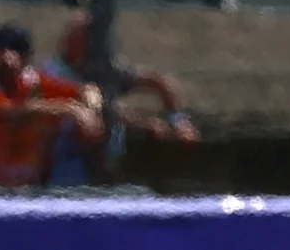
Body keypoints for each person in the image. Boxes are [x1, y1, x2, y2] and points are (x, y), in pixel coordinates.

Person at [0, 22, 101, 190]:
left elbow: (87, 90)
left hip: (22, 187)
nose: (8, 60)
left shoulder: (32, 81)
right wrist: (70, 109)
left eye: (17, 51)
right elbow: (11, 114)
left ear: (27, 57)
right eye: (1, 51)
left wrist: (90, 110)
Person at [50, 14, 197, 184]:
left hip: (107, 165)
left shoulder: (103, 68)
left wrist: (178, 121)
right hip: (67, 164)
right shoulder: (54, 74)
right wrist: (143, 124)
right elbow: (99, 110)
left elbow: (159, 82)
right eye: (84, 40)